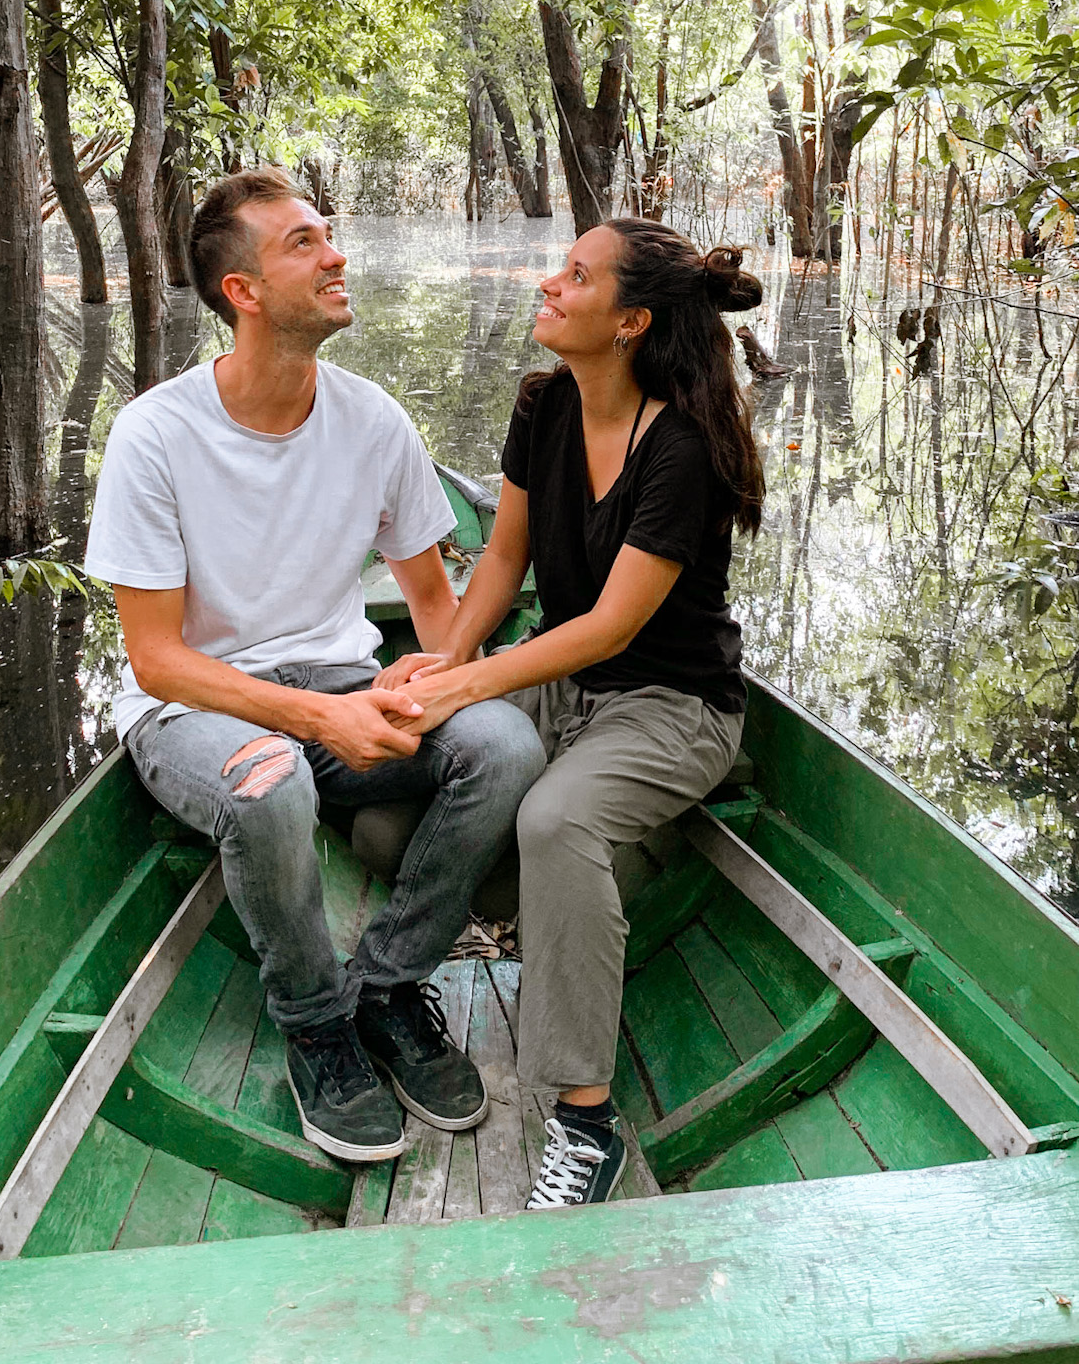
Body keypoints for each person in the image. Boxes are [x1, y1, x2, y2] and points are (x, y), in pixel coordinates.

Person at [84, 168, 546, 1165]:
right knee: (269, 783)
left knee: (505, 744)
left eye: (329, 234)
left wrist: (436, 679)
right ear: (242, 291)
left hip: (341, 682)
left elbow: (431, 603)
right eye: (304, 242)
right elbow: (156, 658)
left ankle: (386, 985)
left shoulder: (371, 417)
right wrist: (312, 718)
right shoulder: (155, 435)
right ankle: (315, 1021)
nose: (337, 254)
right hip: (201, 708)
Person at [378, 217, 764, 1208]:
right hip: (561, 688)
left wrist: (465, 685)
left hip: (671, 702)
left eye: (577, 274)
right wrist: (447, 655)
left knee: (556, 818)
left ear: (630, 319)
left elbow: (605, 625)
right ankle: (537, 918)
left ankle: (585, 1120)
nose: (550, 282)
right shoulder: (543, 406)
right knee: (384, 815)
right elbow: (503, 558)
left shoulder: (680, 448)